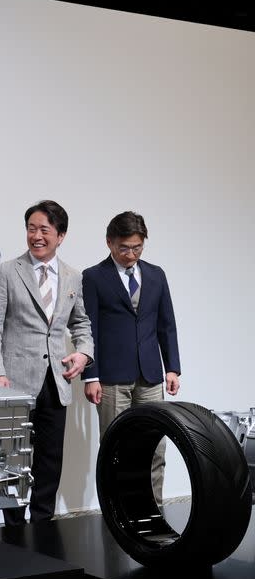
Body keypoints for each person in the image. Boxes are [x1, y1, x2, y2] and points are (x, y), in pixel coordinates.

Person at [0, 200, 93, 525]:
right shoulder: (7, 271)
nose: (36, 236)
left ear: (61, 235)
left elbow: (82, 325)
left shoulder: (73, 277)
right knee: (11, 459)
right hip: (14, 382)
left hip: (56, 383)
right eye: (31, 228)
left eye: (44, 229)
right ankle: (14, 527)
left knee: (49, 460)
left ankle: (42, 523)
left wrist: (84, 353)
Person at [82, 211, 180, 503]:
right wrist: (91, 375)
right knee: (115, 449)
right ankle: (117, 514)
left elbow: (166, 324)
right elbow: (89, 329)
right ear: (110, 243)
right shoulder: (94, 277)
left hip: (150, 375)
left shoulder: (156, 274)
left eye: (137, 247)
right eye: (124, 248)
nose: (130, 254)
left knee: (155, 448)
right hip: (111, 378)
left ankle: (154, 511)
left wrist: (172, 368)